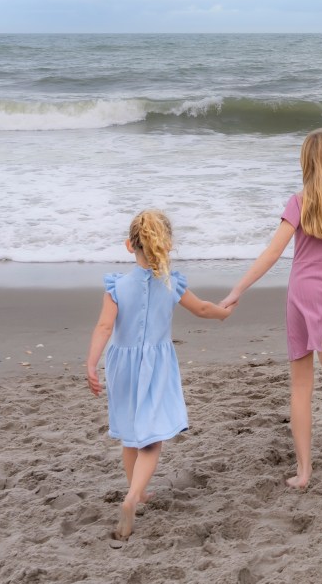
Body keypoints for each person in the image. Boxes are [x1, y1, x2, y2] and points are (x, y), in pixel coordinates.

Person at [220, 129, 322, 489]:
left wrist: (237, 290)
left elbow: (273, 253)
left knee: (301, 383)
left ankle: (304, 472)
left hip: (306, 296)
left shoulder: (299, 202)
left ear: (307, 162)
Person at [86, 209, 230, 540]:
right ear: (165, 244)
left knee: (130, 433)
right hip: (157, 366)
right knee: (151, 439)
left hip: (121, 366)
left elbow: (104, 326)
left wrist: (91, 364)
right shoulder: (171, 283)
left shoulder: (117, 286)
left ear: (128, 245)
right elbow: (203, 309)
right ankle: (134, 496)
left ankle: (135, 489)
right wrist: (223, 313)